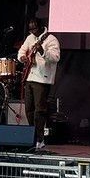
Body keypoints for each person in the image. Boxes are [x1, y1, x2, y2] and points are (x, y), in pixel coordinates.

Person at [17, 18, 60, 150]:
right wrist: (22, 57)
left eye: (34, 29)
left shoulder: (51, 39)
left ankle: (40, 139)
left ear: (41, 27)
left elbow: (56, 57)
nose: (32, 32)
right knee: (28, 109)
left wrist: (42, 51)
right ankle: (32, 136)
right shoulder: (30, 38)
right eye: (30, 29)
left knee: (39, 110)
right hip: (30, 76)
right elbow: (21, 51)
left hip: (42, 79)